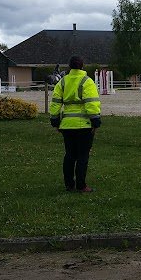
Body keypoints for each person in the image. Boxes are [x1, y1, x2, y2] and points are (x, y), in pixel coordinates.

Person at [49, 55, 102, 192]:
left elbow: (55, 102)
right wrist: (95, 121)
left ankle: (69, 184)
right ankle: (81, 185)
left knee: (69, 155)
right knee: (83, 156)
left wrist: (55, 121)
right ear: (82, 66)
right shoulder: (87, 81)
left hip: (67, 125)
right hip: (84, 125)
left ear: (69, 66)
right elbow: (91, 103)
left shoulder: (63, 82)